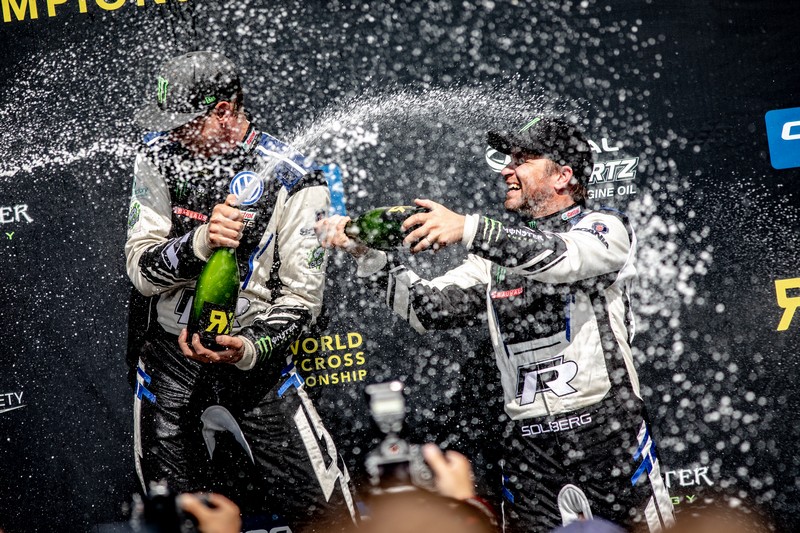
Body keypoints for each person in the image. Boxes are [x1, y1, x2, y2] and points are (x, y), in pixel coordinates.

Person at [316, 117, 675, 532]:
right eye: (509, 159)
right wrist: (369, 257)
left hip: (606, 435)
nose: (507, 169)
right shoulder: (493, 260)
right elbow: (427, 308)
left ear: (563, 176)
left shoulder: (603, 228)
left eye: (523, 160)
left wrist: (469, 228)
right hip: (529, 451)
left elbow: (561, 258)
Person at [126, 50, 355, 531]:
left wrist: (248, 348)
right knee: (173, 521)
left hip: (256, 364)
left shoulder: (295, 176)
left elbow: (303, 301)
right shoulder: (157, 155)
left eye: (184, 124)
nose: (173, 135)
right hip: (171, 359)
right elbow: (140, 270)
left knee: (328, 518)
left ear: (223, 112)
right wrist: (202, 241)